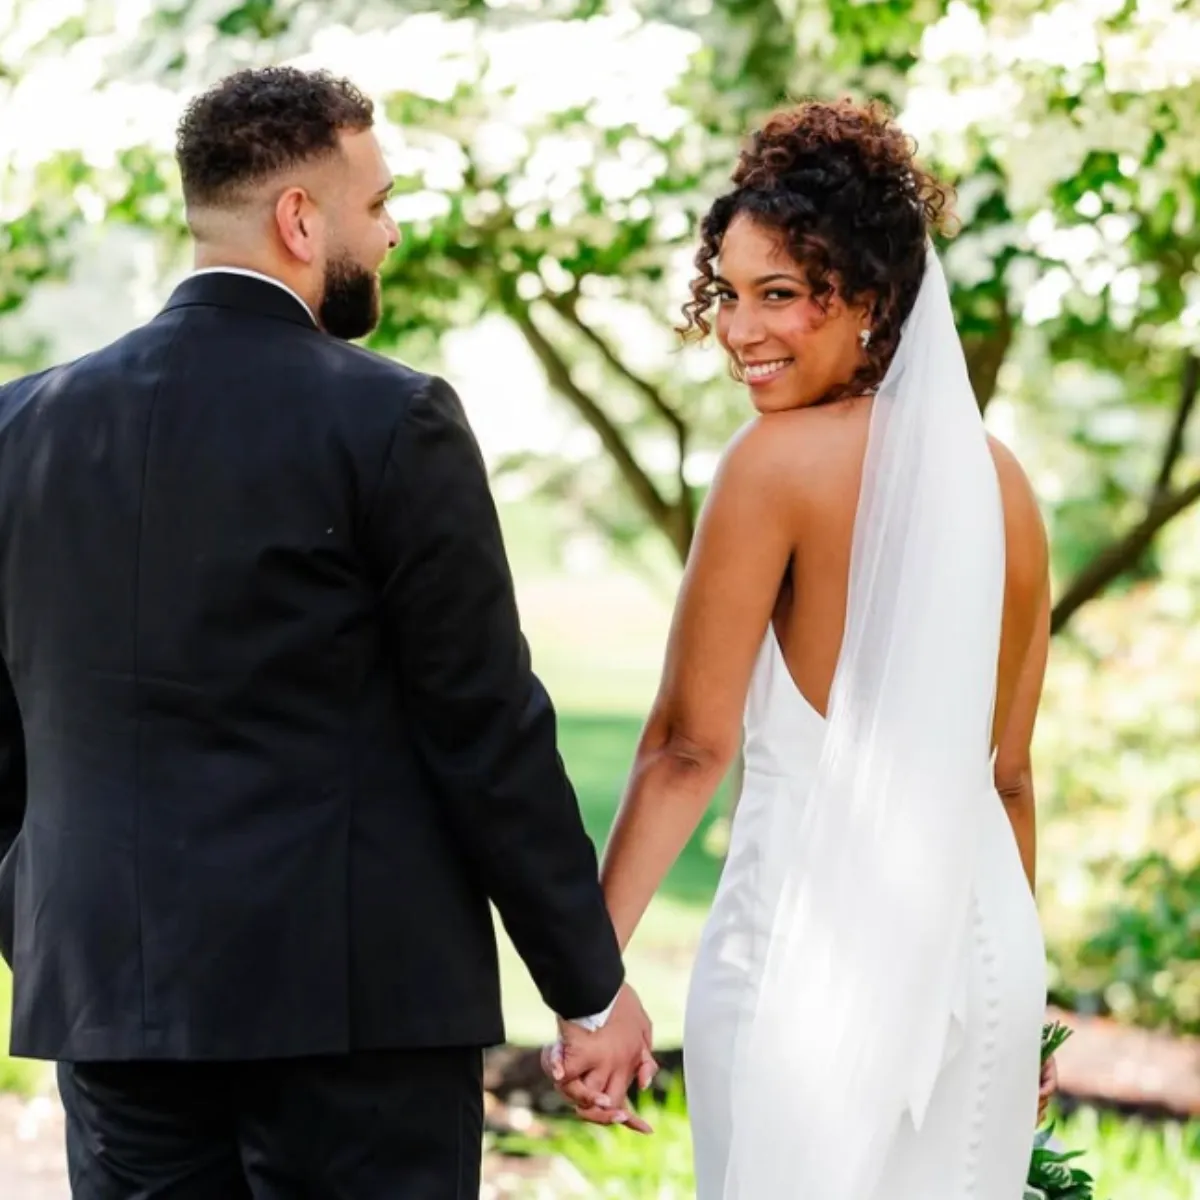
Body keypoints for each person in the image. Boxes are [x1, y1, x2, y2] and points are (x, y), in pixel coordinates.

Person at [0, 65, 653, 1199]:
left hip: (115, 1002)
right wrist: (589, 989)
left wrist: (54, 929)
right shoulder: (393, 418)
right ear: (300, 219)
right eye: (379, 203)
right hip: (359, 1017)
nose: (390, 233)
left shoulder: (22, 427)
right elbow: (484, 729)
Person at [549, 99, 1058, 1198]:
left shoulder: (772, 465)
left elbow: (687, 747)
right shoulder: (1006, 486)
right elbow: (1009, 778)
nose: (740, 331)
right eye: (728, 293)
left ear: (870, 299)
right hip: (987, 970)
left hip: (805, 961)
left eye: (779, 294)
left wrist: (590, 987)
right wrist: (1024, 1013)